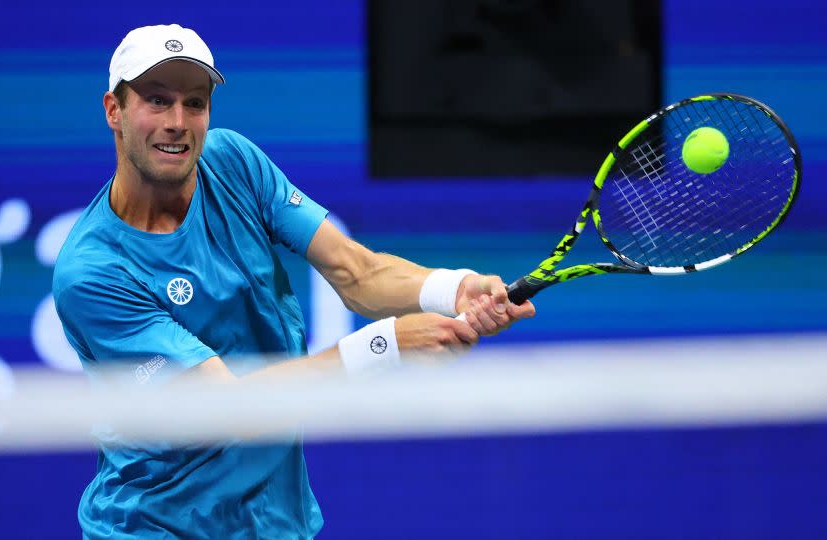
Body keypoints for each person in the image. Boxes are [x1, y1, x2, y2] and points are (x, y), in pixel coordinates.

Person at [53, 23, 535, 540]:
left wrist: (453, 289)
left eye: (194, 103)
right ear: (113, 111)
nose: (177, 122)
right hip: (157, 528)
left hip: (274, 521)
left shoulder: (233, 161)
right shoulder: (93, 273)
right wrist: (387, 344)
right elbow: (228, 410)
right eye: (156, 100)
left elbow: (357, 273)